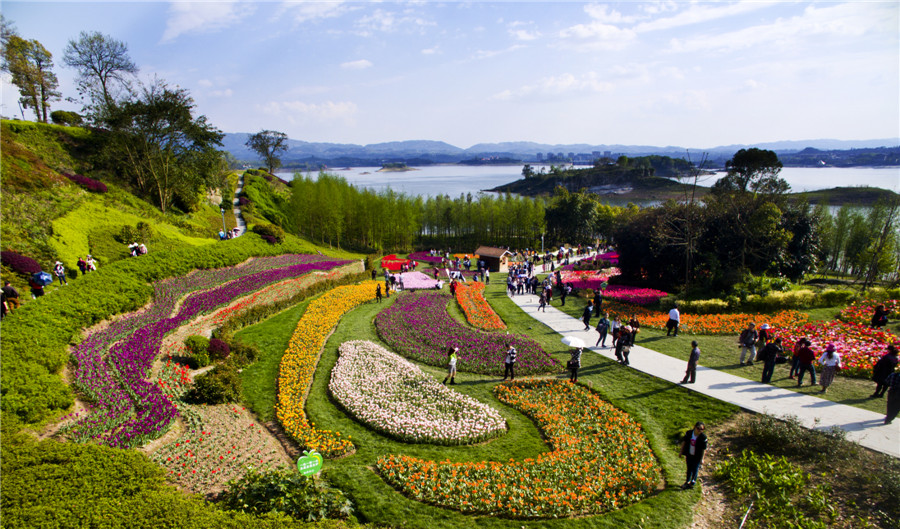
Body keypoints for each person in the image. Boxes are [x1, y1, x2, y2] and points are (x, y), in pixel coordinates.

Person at [679, 422, 708, 490]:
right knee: (689, 468)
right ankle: (687, 481)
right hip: (689, 454)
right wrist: (681, 452)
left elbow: (704, 449)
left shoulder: (703, 437)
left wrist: (702, 458)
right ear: (695, 427)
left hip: (697, 456)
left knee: (695, 469)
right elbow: (684, 442)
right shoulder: (689, 433)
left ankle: (692, 482)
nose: (699, 430)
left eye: (702, 429)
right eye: (698, 428)